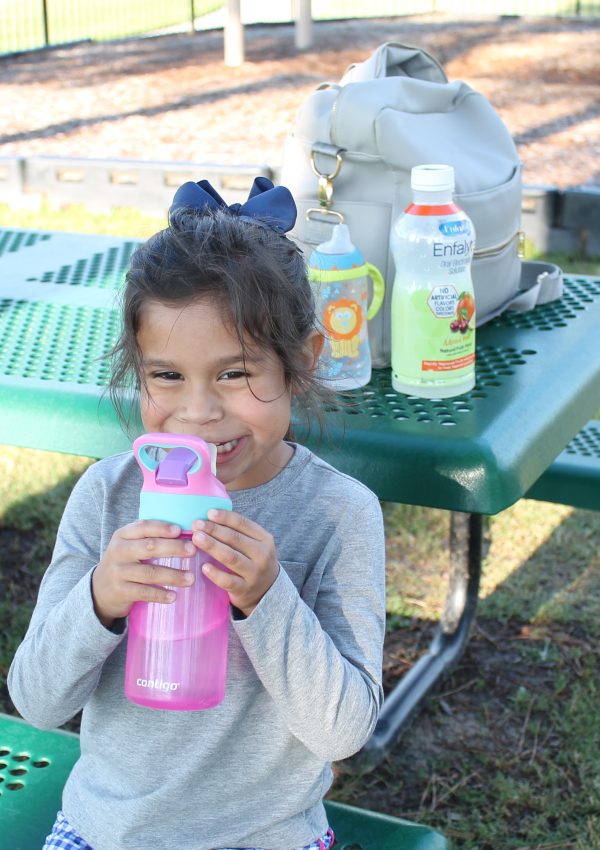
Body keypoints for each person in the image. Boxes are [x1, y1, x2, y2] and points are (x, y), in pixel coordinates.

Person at [8, 177, 386, 850]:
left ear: (301, 362)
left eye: (235, 374)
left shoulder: (337, 514)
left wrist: (269, 599)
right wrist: (99, 599)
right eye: (167, 376)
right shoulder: (106, 496)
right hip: (106, 832)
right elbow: (37, 700)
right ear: (138, 371)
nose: (198, 413)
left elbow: (343, 730)